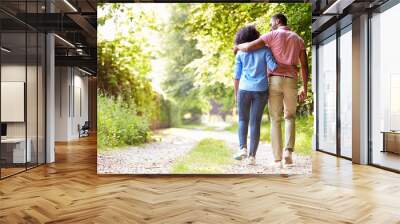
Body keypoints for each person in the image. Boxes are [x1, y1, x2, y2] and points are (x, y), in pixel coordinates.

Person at [234, 13, 309, 168]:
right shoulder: (298, 39)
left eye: (270, 23)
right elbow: (304, 66)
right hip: (291, 80)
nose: (269, 26)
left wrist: (237, 47)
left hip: (273, 81)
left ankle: (277, 159)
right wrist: (305, 88)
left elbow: (248, 47)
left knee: (275, 119)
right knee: (290, 117)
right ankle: (288, 152)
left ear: (277, 21)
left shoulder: (271, 36)